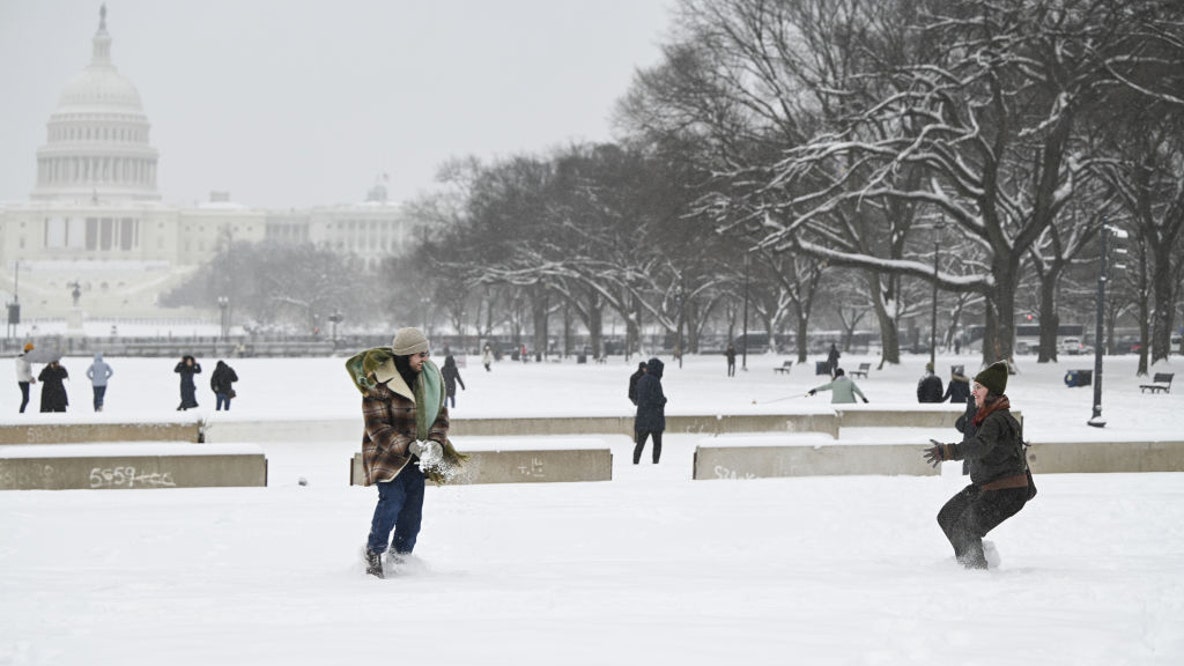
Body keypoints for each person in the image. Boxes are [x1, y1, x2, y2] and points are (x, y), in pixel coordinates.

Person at [346, 327, 458, 579]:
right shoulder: (377, 382)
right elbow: (376, 427)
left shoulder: (428, 379)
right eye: (420, 354)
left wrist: (436, 443)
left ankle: (401, 559)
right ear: (406, 355)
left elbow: (439, 416)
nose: (425, 359)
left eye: (427, 353)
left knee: (412, 513)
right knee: (392, 501)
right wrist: (408, 445)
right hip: (386, 456)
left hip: (417, 459)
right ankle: (374, 552)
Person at [924, 361, 1035, 570]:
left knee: (966, 528)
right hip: (988, 486)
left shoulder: (996, 419)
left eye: (978, 388)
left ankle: (976, 571)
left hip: (1006, 490)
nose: (973, 392)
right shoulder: (990, 416)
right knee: (948, 516)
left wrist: (949, 451)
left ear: (990, 391)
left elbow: (980, 446)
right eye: (974, 387)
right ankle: (971, 561)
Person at [633, 357, 667, 464]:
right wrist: (664, 400)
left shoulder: (641, 380)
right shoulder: (655, 381)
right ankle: (655, 463)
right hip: (655, 419)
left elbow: (636, 398)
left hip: (643, 418)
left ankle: (635, 462)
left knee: (640, 444)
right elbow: (658, 399)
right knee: (657, 444)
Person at [15, 342, 36, 413]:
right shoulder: (24, 359)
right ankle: (21, 413)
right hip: (24, 381)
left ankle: (21, 413)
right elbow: (23, 371)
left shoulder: (21, 357)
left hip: (22, 380)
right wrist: (30, 379)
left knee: (26, 399)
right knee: (26, 399)